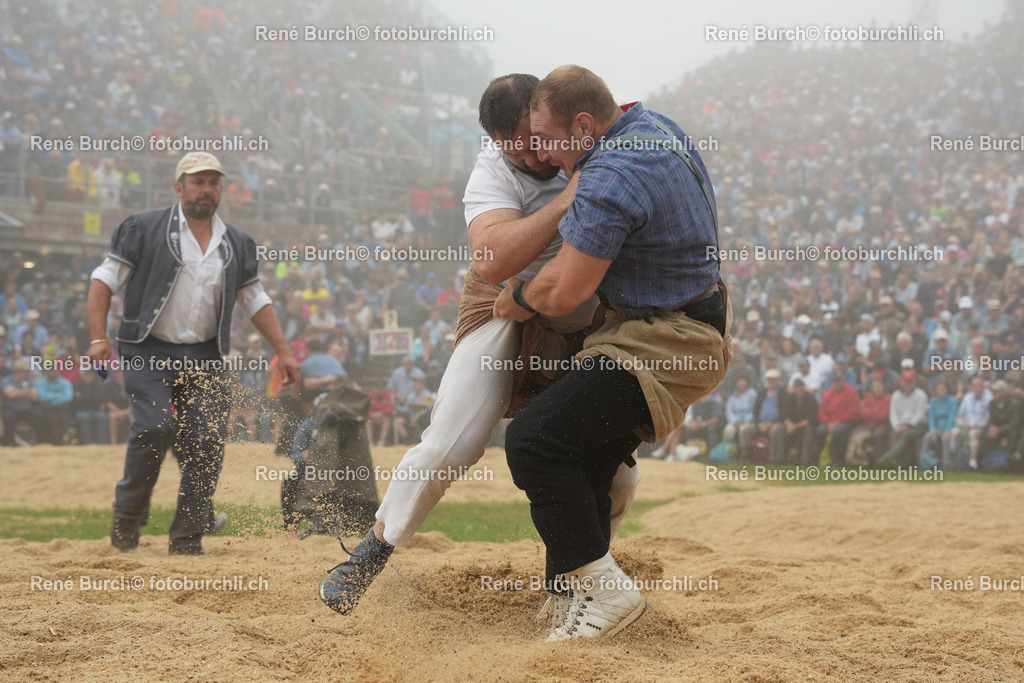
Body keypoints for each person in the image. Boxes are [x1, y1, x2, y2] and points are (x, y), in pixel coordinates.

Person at [317, 73, 642, 620]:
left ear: (547, 119)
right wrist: (567, 199)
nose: (533, 159)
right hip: (503, 303)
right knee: (454, 437)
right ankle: (375, 549)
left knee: (616, 466)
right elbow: (493, 260)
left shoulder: (590, 143)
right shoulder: (493, 168)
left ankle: (577, 582)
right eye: (515, 152)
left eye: (538, 143)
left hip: (584, 306)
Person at [495, 65, 731, 640]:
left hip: (664, 339)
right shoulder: (655, 126)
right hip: (686, 324)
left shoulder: (609, 174)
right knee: (588, 461)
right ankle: (569, 595)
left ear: (582, 123)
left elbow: (565, 290)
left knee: (533, 441)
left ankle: (603, 590)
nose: (545, 156)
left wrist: (518, 295)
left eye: (548, 139)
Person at [87, 152, 299, 556]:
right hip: (147, 348)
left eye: (214, 182)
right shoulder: (143, 227)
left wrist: (283, 350)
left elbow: (255, 299)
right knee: (153, 428)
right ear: (179, 186)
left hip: (205, 354)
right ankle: (127, 515)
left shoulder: (236, 243)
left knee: (207, 439)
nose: (207, 189)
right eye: (198, 181)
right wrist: (99, 339)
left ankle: (187, 538)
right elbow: (104, 280)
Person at [878, 371, 929, 467]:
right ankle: (896, 464)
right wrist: (897, 427)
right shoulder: (896, 395)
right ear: (901, 382)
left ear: (914, 382)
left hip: (917, 426)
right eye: (906, 382)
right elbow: (893, 414)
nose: (908, 384)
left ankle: (889, 456)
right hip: (899, 426)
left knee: (907, 435)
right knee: (894, 435)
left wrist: (908, 426)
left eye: (910, 382)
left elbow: (920, 415)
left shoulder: (921, 395)